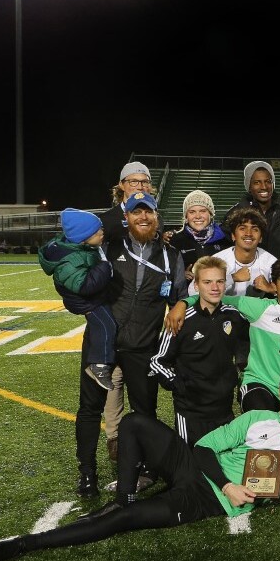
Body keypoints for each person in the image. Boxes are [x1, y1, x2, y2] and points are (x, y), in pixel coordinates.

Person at [0, 367, 280, 561]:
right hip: (196, 469)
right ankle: (123, 497)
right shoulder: (256, 417)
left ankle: (26, 544)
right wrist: (228, 483)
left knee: (125, 521)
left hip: (204, 500)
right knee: (134, 422)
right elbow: (204, 448)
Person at [76, 191, 186, 498]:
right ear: (126, 217)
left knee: (145, 411)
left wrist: (180, 304)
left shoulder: (171, 255)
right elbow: (75, 265)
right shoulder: (108, 246)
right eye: (136, 212)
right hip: (102, 345)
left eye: (148, 212)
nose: (143, 217)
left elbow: (180, 294)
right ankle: (87, 472)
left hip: (143, 345)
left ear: (156, 216)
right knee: (89, 409)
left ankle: (147, 470)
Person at [166, 257, 280, 417]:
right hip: (258, 384)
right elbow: (214, 296)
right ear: (274, 285)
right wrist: (183, 303)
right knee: (263, 421)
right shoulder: (259, 308)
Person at [150, 256, 250, 446]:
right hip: (191, 412)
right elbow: (158, 361)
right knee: (190, 461)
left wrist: (240, 370)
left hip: (224, 408)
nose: (215, 287)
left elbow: (246, 345)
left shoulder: (234, 316)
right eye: (207, 282)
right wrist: (179, 384)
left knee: (221, 460)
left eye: (220, 281)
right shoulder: (180, 320)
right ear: (196, 285)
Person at [38, 208, 116, 391]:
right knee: (106, 325)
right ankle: (99, 365)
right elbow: (84, 286)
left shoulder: (79, 247)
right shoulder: (70, 260)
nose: (102, 232)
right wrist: (104, 268)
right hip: (87, 302)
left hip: (89, 299)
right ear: (83, 237)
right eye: (97, 231)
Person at [210, 207, 276, 297]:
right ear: (233, 236)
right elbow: (195, 291)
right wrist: (233, 278)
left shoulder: (270, 262)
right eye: (242, 228)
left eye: (255, 229)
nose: (248, 233)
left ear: (260, 238)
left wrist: (270, 288)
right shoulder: (216, 261)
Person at [169, 190, 232, 282]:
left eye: (203, 211)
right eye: (192, 212)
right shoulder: (175, 241)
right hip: (187, 290)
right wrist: (179, 274)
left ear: (211, 214)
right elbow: (165, 270)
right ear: (186, 216)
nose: (198, 216)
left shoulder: (226, 239)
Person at [101, 162, 165, 241]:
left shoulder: (157, 219)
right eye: (133, 182)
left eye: (145, 182)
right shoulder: (105, 221)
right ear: (121, 185)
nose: (140, 187)